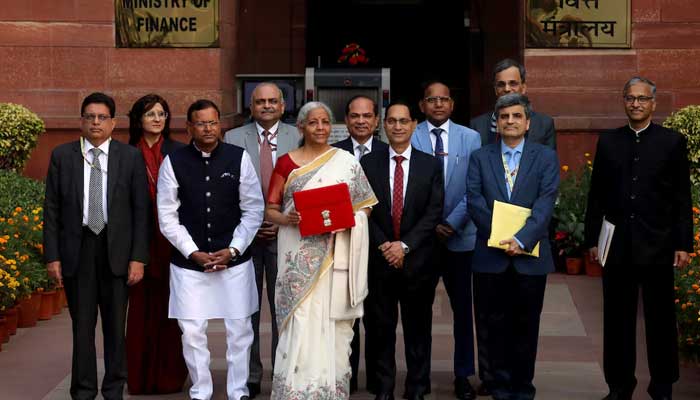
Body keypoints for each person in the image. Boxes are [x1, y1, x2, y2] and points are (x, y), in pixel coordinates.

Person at [584, 77, 692, 400]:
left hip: (658, 246)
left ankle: (662, 386)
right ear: (623, 101)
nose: (636, 104)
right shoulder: (609, 141)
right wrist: (592, 239)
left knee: (661, 322)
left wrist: (684, 243)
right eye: (630, 98)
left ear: (653, 104)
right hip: (617, 248)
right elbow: (597, 195)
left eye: (642, 99)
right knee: (617, 322)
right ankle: (619, 386)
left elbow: (681, 198)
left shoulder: (672, 142)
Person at [266, 101, 377, 399]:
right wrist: (287, 219)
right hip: (297, 260)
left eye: (325, 122)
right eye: (313, 122)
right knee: (300, 323)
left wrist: (348, 221)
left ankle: (328, 391)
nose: (320, 128)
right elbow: (270, 210)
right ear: (301, 127)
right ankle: (294, 391)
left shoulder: (346, 161)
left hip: (335, 258)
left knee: (331, 324)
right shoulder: (287, 163)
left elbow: (365, 207)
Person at [44, 92, 150, 400]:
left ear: (113, 123)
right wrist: (53, 257)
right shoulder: (62, 156)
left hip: (117, 252)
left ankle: (114, 389)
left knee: (116, 328)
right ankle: (83, 391)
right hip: (78, 250)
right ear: (81, 121)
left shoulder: (129, 157)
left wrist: (138, 258)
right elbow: (51, 209)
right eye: (89, 116)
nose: (95, 122)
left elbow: (141, 210)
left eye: (102, 117)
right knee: (82, 328)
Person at [157, 99, 264, 400]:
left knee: (240, 330)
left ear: (221, 125)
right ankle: (200, 390)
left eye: (213, 122)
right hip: (188, 264)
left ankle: (238, 390)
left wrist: (233, 249)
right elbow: (167, 215)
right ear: (189, 127)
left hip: (234, 261)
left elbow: (253, 209)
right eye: (201, 123)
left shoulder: (238, 157)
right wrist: (192, 251)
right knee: (191, 331)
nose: (208, 128)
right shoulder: (174, 161)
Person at [467, 93, 559, 400]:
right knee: (493, 327)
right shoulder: (481, 157)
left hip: (530, 258)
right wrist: (500, 236)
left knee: (526, 326)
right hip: (490, 256)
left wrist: (521, 239)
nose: (510, 122)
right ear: (496, 123)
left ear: (528, 122)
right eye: (504, 117)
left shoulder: (545, 157)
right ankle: (499, 387)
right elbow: (474, 199)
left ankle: (523, 388)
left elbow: (546, 202)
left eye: (516, 116)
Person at [361, 100, 444, 400]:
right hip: (379, 261)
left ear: (413, 125)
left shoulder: (430, 163)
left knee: (418, 331)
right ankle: (384, 389)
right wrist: (386, 245)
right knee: (381, 330)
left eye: (403, 121)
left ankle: (417, 388)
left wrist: (404, 246)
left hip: (418, 262)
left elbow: (434, 212)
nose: (397, 126)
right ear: (384, 125)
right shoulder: (368, 163)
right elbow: (362, 208)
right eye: (392, 121)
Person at [223, 82, 299, 398]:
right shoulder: (233, 138)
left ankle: (282, 372)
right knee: (247, 311)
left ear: (283, 106)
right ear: (250, 107)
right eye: (260, 102)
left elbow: (305, 186)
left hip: (286, 236)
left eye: (272, 101)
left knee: (284, 309)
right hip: (247, 238)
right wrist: (254, 226)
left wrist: (280, 222)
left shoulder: (298, 136)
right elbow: (230, 192)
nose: (266, 106)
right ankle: (251, 374)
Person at [411, 81, 481, 400]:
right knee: (417, 312)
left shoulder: (471, 137)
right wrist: (429, 226)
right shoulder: (410, 135)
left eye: (444, 99)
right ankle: (419, 377)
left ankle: (463, 375)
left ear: (452, 104)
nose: (438, 104)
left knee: (463, 313)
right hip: (422, 242)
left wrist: (452, 222)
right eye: (431, 100)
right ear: (422, 105)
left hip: (461, 237)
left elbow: (475, 187)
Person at [124, 94, 188, 395]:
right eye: (150, 114)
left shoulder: (179, 152)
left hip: (173, 241)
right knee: (139, 311)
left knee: (173, 309)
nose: (157, 119)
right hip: (137, 240)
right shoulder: (124, 153)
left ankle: (170, 376)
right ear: (138, 119)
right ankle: (138, 376)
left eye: (162, 113)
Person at [332, 94, 389, 394]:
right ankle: (347, 378)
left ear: (377, 120)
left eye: (367, 116)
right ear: (347, 120)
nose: (361, 121)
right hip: (342, 246)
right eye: (355, 116)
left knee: (378, 318)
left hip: (379, 247)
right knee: (345, 317)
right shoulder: (333, 153)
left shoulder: (388, 151)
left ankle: (379, 380)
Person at [470, 58, 556, 149]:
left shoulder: (544, 124)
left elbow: (548, 160)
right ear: (495, 90)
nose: (507, 89)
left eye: (513, 83)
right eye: (501, 84)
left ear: (523, 88)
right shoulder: (477, 125)